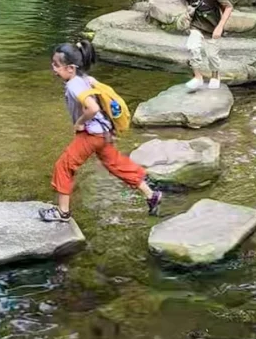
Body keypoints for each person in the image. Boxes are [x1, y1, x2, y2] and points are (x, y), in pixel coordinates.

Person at [39, 39, 163, 222]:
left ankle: (62, 212)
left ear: (71, 68)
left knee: (63, 166)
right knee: (116, 164)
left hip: (91, 134)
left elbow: (93, 108)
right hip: (103, 132)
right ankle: (151, 195)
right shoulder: (85, 78)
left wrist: (80, 123)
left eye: (57, 66)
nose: (54, 69)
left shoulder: (74, 85)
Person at [183, 0, 232, 91]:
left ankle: (215, 76)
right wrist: (188, 12)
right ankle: (198, 77)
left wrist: (220, 27)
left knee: (212, 56)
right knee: (192, 47)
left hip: (212, 29)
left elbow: (228, 7)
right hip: (197, 26)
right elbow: (188, 1)